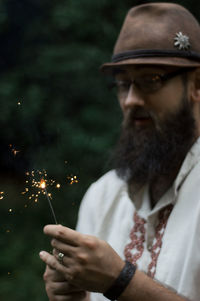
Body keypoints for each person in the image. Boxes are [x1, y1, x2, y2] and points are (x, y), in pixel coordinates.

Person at [39, 2, 200, 301]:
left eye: (150, 80)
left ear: (197, 84)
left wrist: (121, 280)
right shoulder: (103, 196)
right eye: (123, 84)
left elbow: (118, 282)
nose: (130, 100)